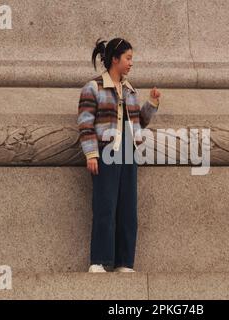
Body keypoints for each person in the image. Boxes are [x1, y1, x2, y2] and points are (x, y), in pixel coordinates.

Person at [77, 37, 161, 272]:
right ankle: (100, 261)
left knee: (128, 210)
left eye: (131, 58)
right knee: (105, 206)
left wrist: (152, 104)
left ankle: (125, 262)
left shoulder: (130, 89)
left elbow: (139, 122)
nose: (131, 63)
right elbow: (85, 123)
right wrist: (91, 154)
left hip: (129, 152)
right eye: (128, 58)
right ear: (115, 59)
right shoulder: (93, 87)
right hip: (106, 151)